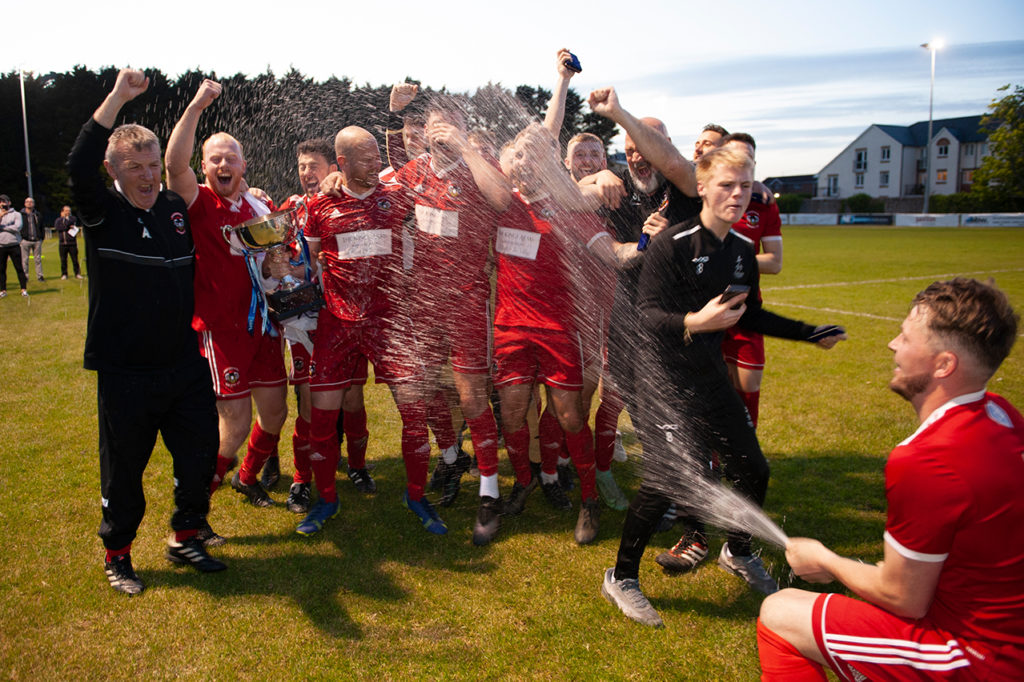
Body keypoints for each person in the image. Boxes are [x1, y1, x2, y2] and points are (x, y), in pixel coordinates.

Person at [600, 146, 846, 627]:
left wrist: (807, 332)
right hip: (661, 380)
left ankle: (737, 549)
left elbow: (748, 314)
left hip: (708, 376)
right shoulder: (672, 244)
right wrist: (696, 320)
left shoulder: (739, 252)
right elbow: (647, 315)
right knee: (665, 481)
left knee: (754, 470)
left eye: (746, 185)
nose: (738, 194)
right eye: (727, 186)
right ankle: (621, 575)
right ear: (703, 188)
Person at [759, 277, 1024, 680]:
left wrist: (825, 559)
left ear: (943, 365)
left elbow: (903, 598)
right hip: (1005, 632)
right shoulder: (1000, 412)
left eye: (905, 337)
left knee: (779, 614)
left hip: (979, 657)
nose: (892, 345)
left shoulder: (926, 460)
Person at [68, 68, 226, 595]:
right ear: (113, 170)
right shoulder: (101, 212)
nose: (146, 175)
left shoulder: (174, 209)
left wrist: (198, 105)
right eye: (133, 166)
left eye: (151, 164)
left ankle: (186, 535)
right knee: (125, 472)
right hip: (125, 370)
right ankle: (118, 553)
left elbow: (185, 175)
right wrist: (117, 96)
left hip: (183, 363)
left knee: (200, 452)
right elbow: (77, 162)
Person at [495, 123, 638, 545]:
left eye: (533, 155)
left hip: (558, 329)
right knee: (512, 416)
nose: (524, 162)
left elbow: (612, 254)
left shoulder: (571, 209)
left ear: (549, 164)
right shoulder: (498, 204)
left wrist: (650, 242)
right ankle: (525, 480)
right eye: (518, 155)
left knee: (571, 416)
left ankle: (589, 499)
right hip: (509, 329)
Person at [293, 126, 437, 536]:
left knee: (414, 412)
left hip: (388, 322)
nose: (378, 164)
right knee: (321, 419)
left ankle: (415, 495)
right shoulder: (320, 205)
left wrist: (399, 120)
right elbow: (310, 259)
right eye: (368, 158)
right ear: (343, 164)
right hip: (336, 324)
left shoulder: (394, 198)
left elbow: (425, 171)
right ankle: (325, 501)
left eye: (378, 156)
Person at [384, 85, 512, 532]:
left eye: (452, 120)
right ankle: (453, 458)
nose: (442, 127)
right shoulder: (414, 170)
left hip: (466, 301)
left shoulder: (479, 168)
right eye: (436, 120)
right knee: (420, 388)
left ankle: (490, 492)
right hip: (421, 304)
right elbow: (378, 196)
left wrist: (462, 145)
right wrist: (335, 180)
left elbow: (502, 198)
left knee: (472, 395)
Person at [656, 132, 783, 574]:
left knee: (740, 435)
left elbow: (772, 264)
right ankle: (694, 532)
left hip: (736, 323)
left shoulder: (755, 206)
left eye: (745, 181)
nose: (737, 192)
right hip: (695, 338)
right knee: (695, 440)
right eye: (704, 146)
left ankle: (738, 540)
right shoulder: (686, 197)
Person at [166, 79, 288, 521]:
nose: (222, 163)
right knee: (233, 426)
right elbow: (173, 165)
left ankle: (248, 475)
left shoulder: (260, 207)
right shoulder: (198, 201)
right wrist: (198, 105)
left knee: (275, 414)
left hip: (264, 328)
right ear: (204, 166)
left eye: (229, 157)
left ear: (243, 164)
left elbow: (276, 263)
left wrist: (282, 270)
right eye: (214, 158)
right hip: (223, 330)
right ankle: (194, 514)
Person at [0, 194, 29, 297]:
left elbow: (17, 227)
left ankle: (23, 289)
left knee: (19, 268)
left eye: (5, 201)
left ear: (9, 202)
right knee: (1, 269)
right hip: (1, 245)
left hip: (14, 244)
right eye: (1, 201)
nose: (3, 203)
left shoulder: (16, 214)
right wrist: (1, 216)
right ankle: (3, 290)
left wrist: (2, 228)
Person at [54, 205, 84, 280]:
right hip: (62, 243)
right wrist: (64, 222)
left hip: (72, 243)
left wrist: (66, 223)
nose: (68, 212)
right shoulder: (58, 220)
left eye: (69, 211)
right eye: (66, 211)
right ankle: (64, 274)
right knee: (63, 260)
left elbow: (70, 223)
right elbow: (58, 227)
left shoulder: (73, 218)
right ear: (62, 212)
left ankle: (77, 273)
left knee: (75, 259)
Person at [20, 196, 45, 282]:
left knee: (38, 259)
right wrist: (21, 239)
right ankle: (25, 277)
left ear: (34, 204)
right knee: (25, 260)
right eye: (27, 202)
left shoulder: (38, 215)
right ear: (24, 204)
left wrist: (41, 238)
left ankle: (40, 276)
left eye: (31, 202)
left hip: (37, 240)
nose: (29, 203)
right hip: (25, 240)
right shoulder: (20, 215)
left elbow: (42, 227)